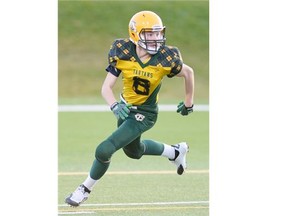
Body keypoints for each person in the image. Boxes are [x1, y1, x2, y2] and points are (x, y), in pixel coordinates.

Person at [65, 10, 194, 207]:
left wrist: (188, 102)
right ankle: (176, 152)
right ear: (136, 34)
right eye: (150, 33)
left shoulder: (166, 58)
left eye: (158, 33)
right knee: (134, 152)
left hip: (146, 113)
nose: (156, 38)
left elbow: (188, 72)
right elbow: (106, 87)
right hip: (125, 108)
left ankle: (84, 189)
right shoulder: (122, 51)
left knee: (104, 149)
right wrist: (114, 106)